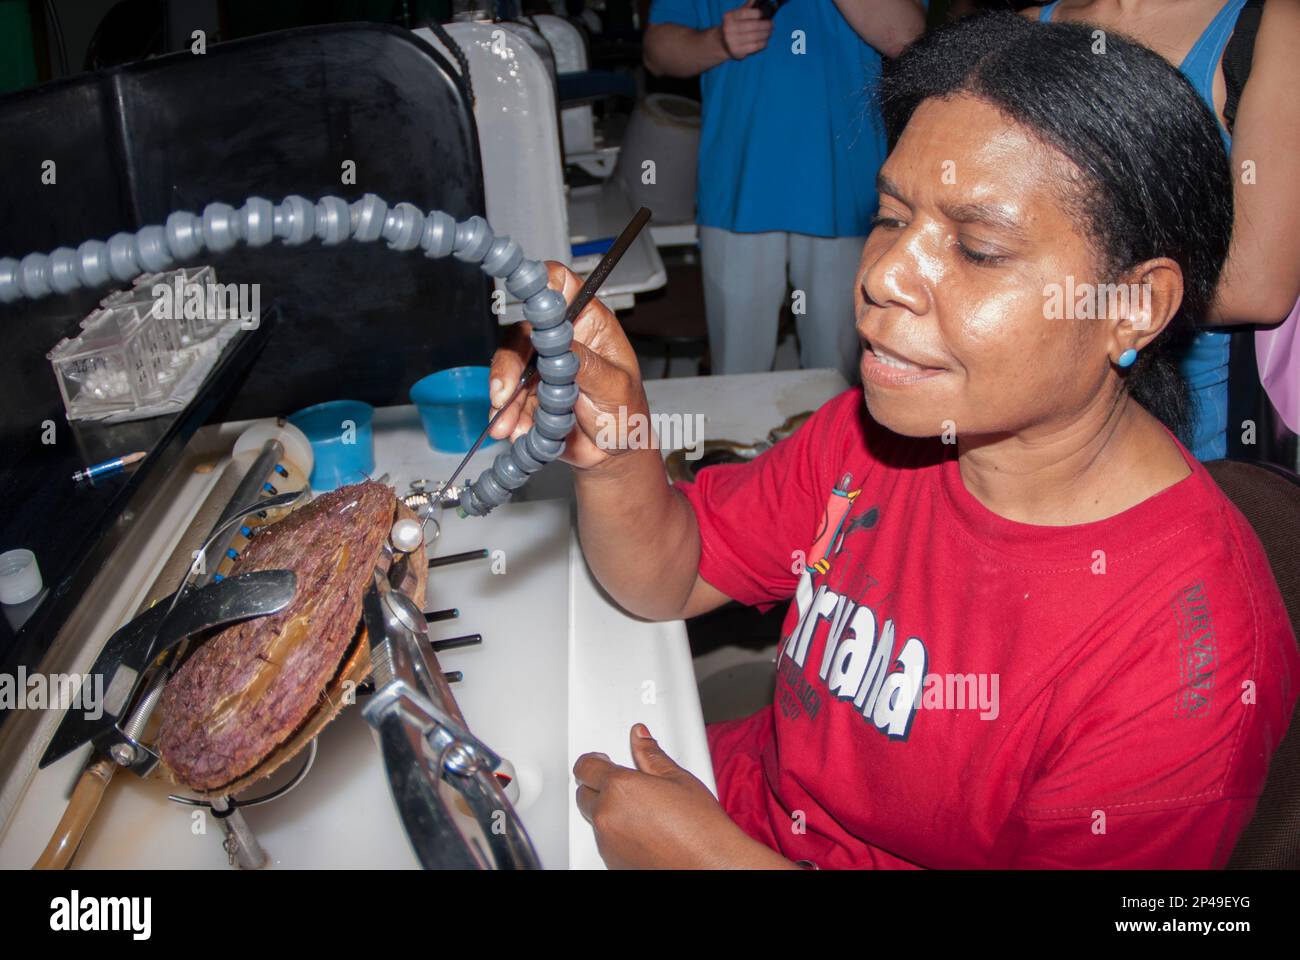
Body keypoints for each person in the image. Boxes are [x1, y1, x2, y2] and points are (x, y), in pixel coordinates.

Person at [488, 13, 1298, 868]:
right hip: (723, 795)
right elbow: (675, 574)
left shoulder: (1183, 662)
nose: (881, 275)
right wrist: (615, 449)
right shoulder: (882, 439)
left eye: (977, 249)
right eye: (890, 216)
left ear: (1132, 308)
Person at [1025, 0, 1300, 461]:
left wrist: (1034, 287)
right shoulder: (1026, 30)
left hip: (1194, 438)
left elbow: (1256, 285)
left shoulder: (1270, 25)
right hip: (1034, 416)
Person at [643, 0, 926, 383]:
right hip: (738, 189)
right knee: (737, 379)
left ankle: (825, 445)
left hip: (845, 192)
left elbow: (907, 37)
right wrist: (718, 42)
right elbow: (657, 52)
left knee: (838, 383)